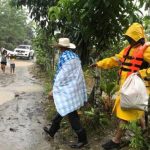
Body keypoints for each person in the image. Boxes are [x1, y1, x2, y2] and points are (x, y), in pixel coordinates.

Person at [90, 22, 150, 150]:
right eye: (128, 38)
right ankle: (144, 128)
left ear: (139, 37)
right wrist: (99, 64)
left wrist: (142, 73)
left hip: (137, 88)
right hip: (126, 87)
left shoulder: (147, 49)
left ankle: (116, 141)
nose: (129, 40)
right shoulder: (127, 49)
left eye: (131, 38)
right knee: (132, 109)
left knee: (125, 114)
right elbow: (114, 60)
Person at [43, 38, 88, 148]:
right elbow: (78, 75)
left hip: (67, 90)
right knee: (63, 108)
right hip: (74, 88)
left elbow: (61, 76)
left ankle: (83, 139)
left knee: (72, 115)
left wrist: (53, 90)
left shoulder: (64, 57)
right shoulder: (75, 56)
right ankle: (52, 130)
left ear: (60, 48)